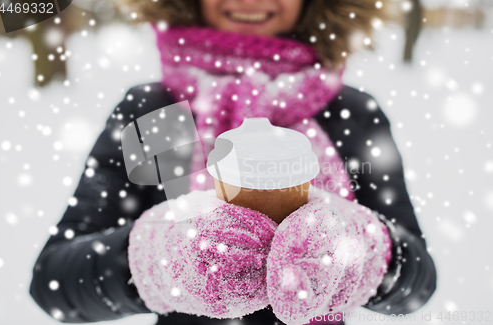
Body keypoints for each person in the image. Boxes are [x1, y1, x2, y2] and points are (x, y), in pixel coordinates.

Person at [29, 0, 437, 324]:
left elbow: (417, 282)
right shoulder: (154, 113)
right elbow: (55, 279)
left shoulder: (352, 113)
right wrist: (159, 261)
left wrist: (362, 248)